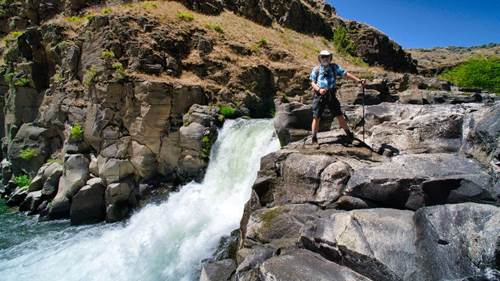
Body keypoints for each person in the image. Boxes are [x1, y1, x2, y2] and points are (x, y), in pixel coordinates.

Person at [310, 50, 364, 147]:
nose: (325, 58)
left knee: (339, 115)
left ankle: (349, 135)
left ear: (330, 58)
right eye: (323, 57)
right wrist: (318, 90)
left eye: (327, 57)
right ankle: (314, 139)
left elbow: (345, 74)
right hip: (319, 95)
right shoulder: (316, 69)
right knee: (316, 117)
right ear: (320, 58)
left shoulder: (334, 67)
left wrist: (358, 80)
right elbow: (312, 82)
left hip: (331, 94)